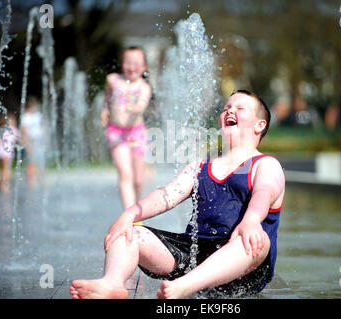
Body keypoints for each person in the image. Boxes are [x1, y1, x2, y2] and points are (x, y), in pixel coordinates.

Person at [70, 90, 285, 299]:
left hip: (242, 267)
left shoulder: (265, 164)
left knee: (257, 240)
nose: (230, 111)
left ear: (259, 125)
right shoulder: (200, 166)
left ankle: (184, 287)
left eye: (240, 108)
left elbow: (263, 193)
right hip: (192, 259)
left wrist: (251, 221)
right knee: (131, 232)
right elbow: (166, 195)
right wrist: (130, 215)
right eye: (226, 107)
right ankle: (113, 283)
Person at [100, 46, 152, 214]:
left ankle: (136, 207)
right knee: (125, 173)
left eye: (136, 63)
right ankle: (130, 215)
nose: (132, 67)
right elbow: (107, 95)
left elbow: (141, 105)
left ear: (144, 67)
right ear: (122, 63)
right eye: (128, 62)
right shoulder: (113, 80)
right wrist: (105, 109)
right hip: (116, 132)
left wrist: (134, 108)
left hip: (136, 132)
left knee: (137, 179)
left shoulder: (144, 87)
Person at [21, 96, 45, 189]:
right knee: (31, 162)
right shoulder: (26, 117)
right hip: (30, 141)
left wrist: (42, 134)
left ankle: (41, 180)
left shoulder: (38, 115)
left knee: (41, 161)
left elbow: (42, 126)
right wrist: (26, 143)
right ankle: (30, 181)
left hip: (39, 141)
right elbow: (24, 130)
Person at [0, 113, 19, 193]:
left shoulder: (0, 129)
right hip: (7, 152)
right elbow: (18, 139)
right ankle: (5, 185)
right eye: (14, 120)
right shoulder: (13, 129)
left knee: (2, 169)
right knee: (7, 169)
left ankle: (0, 182)